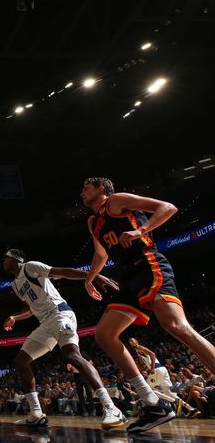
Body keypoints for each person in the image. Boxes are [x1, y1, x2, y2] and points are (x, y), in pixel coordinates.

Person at [81, 177, 215, 432]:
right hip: (127, 278)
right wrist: (90, 279)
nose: (81, 194)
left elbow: (168, 207)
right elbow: (101, 254)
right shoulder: (92, 222)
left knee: (176, 325)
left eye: (85, 189)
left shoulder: (116, 201)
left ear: (100, 189)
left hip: (148, 265)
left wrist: (140, 231)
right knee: (104, 335)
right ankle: (153, 404)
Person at [0, 249, 126, 430]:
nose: (3, 261)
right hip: (45, 324)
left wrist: (93, 275)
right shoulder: (15, 285)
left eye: (6, 258)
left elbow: (63, 272)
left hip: (59, 313)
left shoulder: (30, 267)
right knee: (21, 361)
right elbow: (30, 308)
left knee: (72, 356)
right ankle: (36, 413)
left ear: (16, 259)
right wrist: (15, 317)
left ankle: (111, 407)